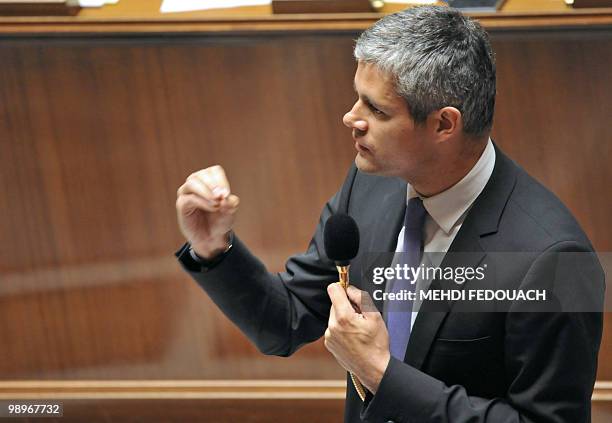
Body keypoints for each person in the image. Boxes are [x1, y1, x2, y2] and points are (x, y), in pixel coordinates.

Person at [175, 6, 604, 423]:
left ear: (443, 125)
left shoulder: (552, 259)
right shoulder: (372, 184)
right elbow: (286, 320)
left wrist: (380, 374)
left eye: (376, 109)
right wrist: (214, 248)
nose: (350, 118)